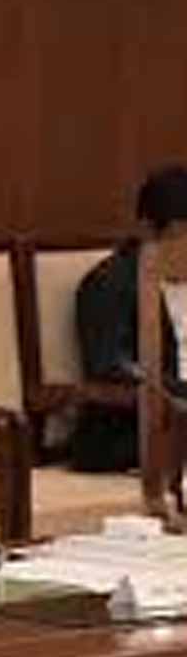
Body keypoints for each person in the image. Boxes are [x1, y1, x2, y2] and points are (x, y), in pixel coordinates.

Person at [72, 164, 187, 471]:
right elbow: (111, 368)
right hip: (133, 434)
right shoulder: (108, 284)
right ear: (147, 230)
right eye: (183, 235)